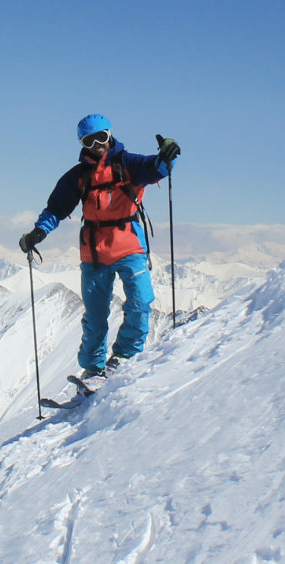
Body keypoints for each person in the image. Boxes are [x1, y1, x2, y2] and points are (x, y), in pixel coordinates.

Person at [19, 114, 180, 378]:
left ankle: (124, 356)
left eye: (101, 138)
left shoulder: (129, 163)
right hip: (95, 255)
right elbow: (56, 209)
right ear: (82, 143)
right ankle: (93, 369)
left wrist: (167, 155)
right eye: (89, 140)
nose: (97, 145)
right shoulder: (78, 176)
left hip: (129, 247)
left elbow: (156, 168)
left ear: (109, 134)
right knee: (94, 318)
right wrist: (38, 233)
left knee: (140, 304)